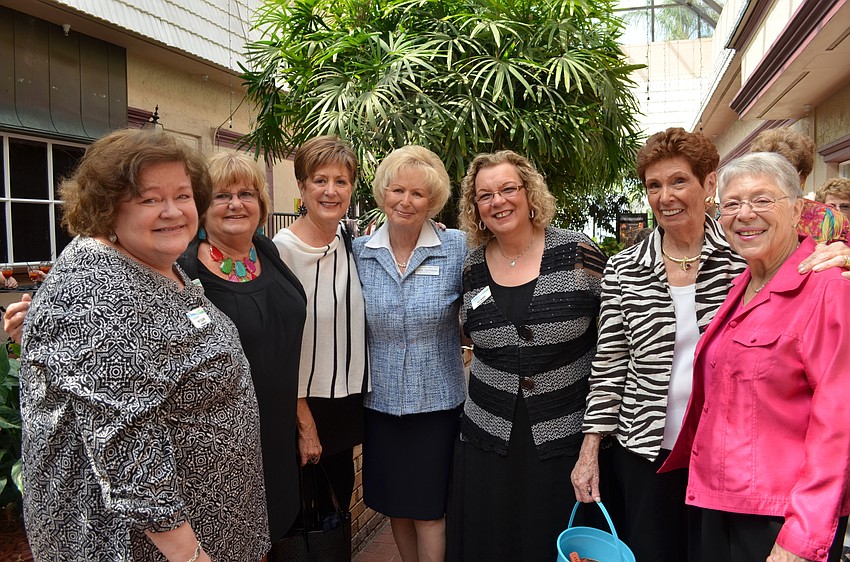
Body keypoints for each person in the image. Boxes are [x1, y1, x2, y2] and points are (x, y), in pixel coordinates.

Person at [573, 127, 850, 562]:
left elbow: (807, 277)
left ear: (708, 184)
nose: (666, 196)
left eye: (679, 181)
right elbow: (610, 361)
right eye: (654, 185)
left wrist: (842, 256)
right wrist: (590, 448)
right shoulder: (626, 267)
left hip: (730, 457)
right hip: (644, 448)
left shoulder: (744, 251)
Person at [18, 129, 269, 561]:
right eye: (149, 199)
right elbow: (127, 452)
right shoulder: (96, 293)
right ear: (107, 207)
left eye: (182, 195)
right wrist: (192, 557)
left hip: (212, 521)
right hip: (146, 546)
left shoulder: (153, 261)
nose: (172, 211)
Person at [661, 152, 850, 562]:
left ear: (797, 209)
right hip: (717, 502)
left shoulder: (828, 289)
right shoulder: (743, 283)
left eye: (763, 200)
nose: (745, 214)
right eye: (731, 203)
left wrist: (801, 537)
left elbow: (839, 426)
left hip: (779, 516)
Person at [446, 149, 607, 561]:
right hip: (488, 438)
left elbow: (613, 339)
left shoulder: (576, 252)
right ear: (475, 208)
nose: (498, 201)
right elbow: (470, 333)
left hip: (563, 438)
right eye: (485, 195)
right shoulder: (472, 267)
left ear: (528, 192)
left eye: (507, 189)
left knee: (552, 541)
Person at [177, 151, 306, 558]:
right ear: (202, 206)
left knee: (270, 532)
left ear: (261, 205)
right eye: (222, 195)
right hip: (223, 442)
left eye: (246, 193)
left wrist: (302, 419)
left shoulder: (267, 252)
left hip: (276, 430)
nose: (236, 204)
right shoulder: (184, 270)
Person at [352, 146, 466, 562]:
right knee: (396, 506)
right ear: (383, 192)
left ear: (432, 201)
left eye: (418, 193)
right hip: (379, 403)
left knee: (430, 510)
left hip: (436, 404)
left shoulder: (457, 247)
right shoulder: (359, 252)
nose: (406, 201)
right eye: (397, 190)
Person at [272, 135, 369, 520]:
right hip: (303, 408)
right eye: (320, 180)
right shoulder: (280, 251)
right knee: (306, 523)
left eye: (341, 181)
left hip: (345, 403)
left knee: (336, 514)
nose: (331, 191)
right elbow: (277, 347)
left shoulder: (348, 240)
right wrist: (305, 423)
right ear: (301, 186)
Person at [749, 127, 849, 243]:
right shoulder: (743, 213)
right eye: (766, 171)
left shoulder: (829, 218)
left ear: (802, 177)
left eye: (784, 173)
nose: (775, 180)